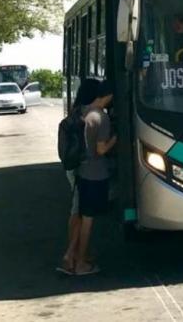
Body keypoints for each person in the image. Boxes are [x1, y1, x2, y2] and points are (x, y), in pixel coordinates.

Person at [59, 79, 116, 276]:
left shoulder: (82, 112)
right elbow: (101, 150)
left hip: (81, 171)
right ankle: (80, 262)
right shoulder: (101, 117)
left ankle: (72, 255)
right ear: (107, 95)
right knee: (88, 220)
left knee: (80, 214)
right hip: (95, 174)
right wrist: (116, 138)